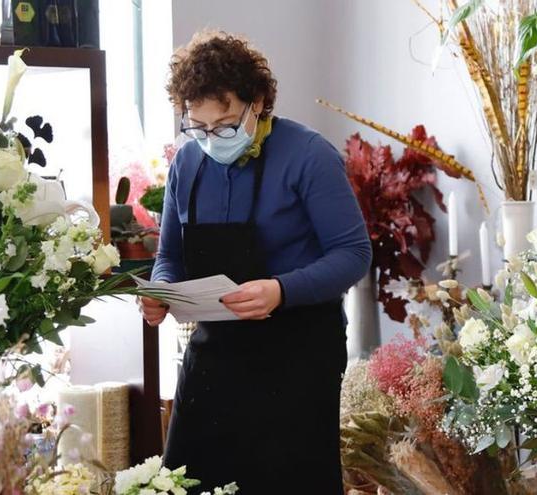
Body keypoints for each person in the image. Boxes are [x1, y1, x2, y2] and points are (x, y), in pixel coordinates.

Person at [139, 30, 371, 493]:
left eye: (225, 125)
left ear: (259, 101)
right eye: (198, 127)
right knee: (185, 479)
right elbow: (169, 256)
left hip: (300, 351)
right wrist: (160, 293)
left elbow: (354, 254)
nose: (212, 139)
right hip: (216, 350)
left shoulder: (308, 155)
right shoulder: (187, 164)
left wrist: (280, 290)